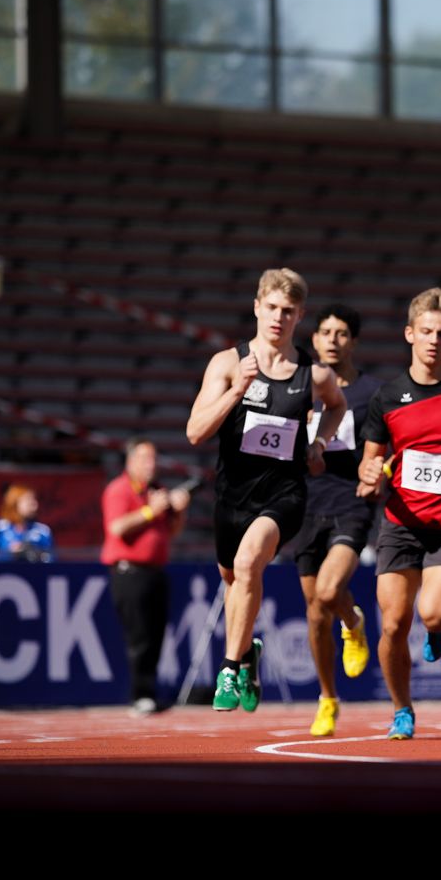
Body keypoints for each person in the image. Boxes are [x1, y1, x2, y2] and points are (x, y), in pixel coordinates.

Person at [186, 268, 347, 714]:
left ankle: (229, 666)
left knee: (247, 562)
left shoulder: (312, 375)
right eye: (272, 308)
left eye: (288, 311)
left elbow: (336, 405)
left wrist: (319, 442)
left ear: (300, 316)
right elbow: (196, 432)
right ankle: (249, 652)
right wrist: (237, 389)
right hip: (232, 495)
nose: (278, 317)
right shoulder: (226, 363)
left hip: (285, 493)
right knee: (235, 581)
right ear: (257, 307)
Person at [356, 288, 441, 741]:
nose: (433, 340)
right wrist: (370, 474)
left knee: (432, 613)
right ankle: (402, 710)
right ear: (409, 334)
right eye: (425, 331)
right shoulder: (387, 397)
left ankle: (440, 626)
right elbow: (370, 464)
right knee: (391, 623)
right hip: (401, 523)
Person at [289, 303, 378, 738]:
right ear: (314, 338)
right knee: (314, 612)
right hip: (304, 505)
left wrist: (380, 468)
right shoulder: (298, 387)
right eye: (324, 331)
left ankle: (354, 623)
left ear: (353, 341)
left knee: (327, 592)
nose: (331, 339)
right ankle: (327, 698)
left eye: (341, 333)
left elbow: (391, 445)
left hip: (350, 502)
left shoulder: (370, 393)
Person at [101, 438, 189, 715]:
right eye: (145, 459)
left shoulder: (156, 491)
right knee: (139, 637)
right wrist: (151, 510)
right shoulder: (118, 490)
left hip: (156, 571)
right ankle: (139, 694)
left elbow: (172, 532)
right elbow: (117, 528)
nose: (152, 465)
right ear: (131, 461)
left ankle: (149, 692)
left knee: (155, 636)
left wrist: (179, 509)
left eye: (154, 459)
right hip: (130, 572)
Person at [0, 484, 55, 563]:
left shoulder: (43, 531)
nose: (35, 505)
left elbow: (51, 559)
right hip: (6, 574)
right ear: (15, 503)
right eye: (29, 500)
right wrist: (10, 553)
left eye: (34, 500)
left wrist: (35, 553)